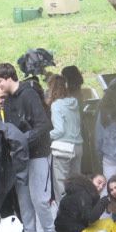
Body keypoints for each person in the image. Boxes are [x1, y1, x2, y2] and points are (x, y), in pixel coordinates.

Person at [0, 63, 55, 232]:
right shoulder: (8, 101)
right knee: (24, 200)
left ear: (10, 77)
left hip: (38, 154)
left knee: (40, 200)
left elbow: (44, 124)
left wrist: (23, 140)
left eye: (0, 81)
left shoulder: (29, 94)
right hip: (18, 158)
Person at [47, 75, 82, 205]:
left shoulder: (56, 105)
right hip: (78, 146)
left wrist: (47, 135)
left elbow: (59, 130)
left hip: (63, 148)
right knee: (76, 182)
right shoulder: (74, 102)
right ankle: (79, 206)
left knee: (61, 183)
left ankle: (64, 211)